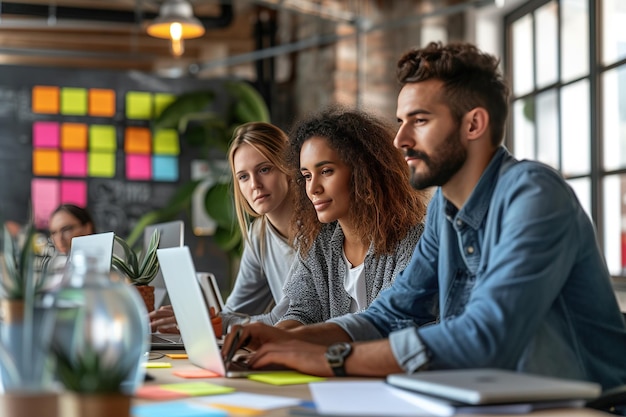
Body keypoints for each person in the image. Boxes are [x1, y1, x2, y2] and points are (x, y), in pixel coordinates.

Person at [222, 42, 626, 390]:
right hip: (488, 397)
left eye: (420, 121)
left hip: (582, 405)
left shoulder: (533, 195)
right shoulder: (444, 214)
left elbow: (485, 336)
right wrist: (286, 340)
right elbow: (388, 314)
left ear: (474, 124)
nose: (401, 140)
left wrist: (330, 358)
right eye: (401, 122)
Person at [240, 108, 428, 330]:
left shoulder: (412, 242)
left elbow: (388, 323)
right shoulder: (320, 243)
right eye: (307, 176)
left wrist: (287, 341)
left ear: (362, 171)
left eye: (326, 171)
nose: (313, 188)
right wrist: (273, 339)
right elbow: (301, 311)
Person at [150, 122, 297, 334]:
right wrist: (195, 317)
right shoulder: (259, 234)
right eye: (243, 177)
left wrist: (211, 324)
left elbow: (285, 321)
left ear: (289, 169)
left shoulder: (315, 231)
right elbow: (234, 311)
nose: (254, 184)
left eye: (264, 169)